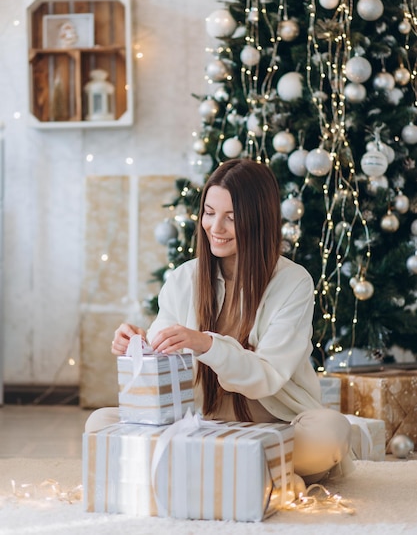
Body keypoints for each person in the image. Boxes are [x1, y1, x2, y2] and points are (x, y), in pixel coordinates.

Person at [86, 158, 353, 489]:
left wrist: (207, 344)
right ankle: (258, 476)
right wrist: (138, 345)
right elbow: (163, 356)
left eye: (231, 217)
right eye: (209, 213)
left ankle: (202, 472)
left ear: (258, 220)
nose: (216, 227)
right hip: (199, 428)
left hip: (273, 427)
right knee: (100, 423)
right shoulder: (185, 278)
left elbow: (265, 378)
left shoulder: (293, 282)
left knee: (329, 434)